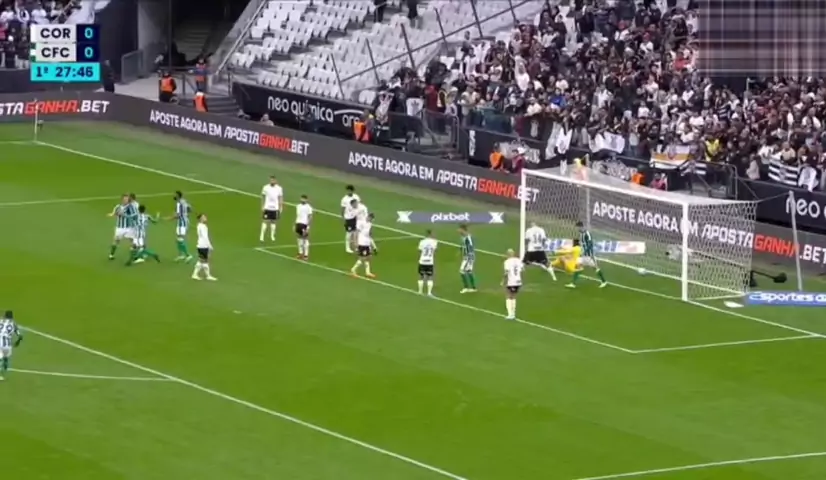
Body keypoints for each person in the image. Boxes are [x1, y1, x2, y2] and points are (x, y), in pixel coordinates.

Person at [575, 221, 607, 288]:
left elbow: (590, 244)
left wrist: (585, 251)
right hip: (583, 255)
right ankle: (573, 283)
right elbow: (582, 243)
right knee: (577, 265)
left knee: (595, 268)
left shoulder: (587, 234)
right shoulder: (580, 233)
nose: (577, 229)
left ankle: (604, 281)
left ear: (581, 227)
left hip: (589, 255)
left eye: (577, 227)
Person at [350, 212, 377, 278]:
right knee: (362, 258)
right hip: (362, 242)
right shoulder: (361, 223)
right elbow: (356, 232)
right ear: (368, 217)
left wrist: (374, 246)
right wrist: (355, 242)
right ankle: (353, 270)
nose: (371, 220)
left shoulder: (370, 224)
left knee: (368, 257)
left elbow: (369, 235)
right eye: (371, 218)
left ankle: (368, 272)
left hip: (367, 243)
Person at [192, 214, 217, 281]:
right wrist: (209, 245)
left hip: (201, 245)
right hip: (203, 245)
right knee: (203, 261)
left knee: (203, 261)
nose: (205, 218)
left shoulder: (200, 225)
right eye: (203, 217)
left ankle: (201, 275)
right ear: (200, 219)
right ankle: (204, 275)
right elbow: (205, 237)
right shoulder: (202, 226)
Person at [170, 191, 193, 262]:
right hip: (183, 222)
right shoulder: (184, 201)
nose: (174, 196)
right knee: (178, 239)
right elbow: (190, 209)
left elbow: (177, 215)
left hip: (182, 223)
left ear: (178, 196)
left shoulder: (179, 203)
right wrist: (186, 215)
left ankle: (188, 255)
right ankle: (181, 255)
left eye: (175, 195)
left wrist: (168, 219)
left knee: (180, 239)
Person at [260, 176, 283, 243]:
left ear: (276, 181)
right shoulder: (265, 187)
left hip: (275, 208)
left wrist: (281, 207)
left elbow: (280, 198)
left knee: (273, 222)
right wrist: (262, 206)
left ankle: (272, 236)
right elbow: (263, 196)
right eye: (271, 180)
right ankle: (262, 236)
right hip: (267, 207)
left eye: (273, 180)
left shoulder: (279, 188)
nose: (272, 181)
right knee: (265, 221)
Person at [0, 310, 22, 381]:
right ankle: (3, 372)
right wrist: (17, 342)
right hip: (7, 345)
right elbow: (20, 336)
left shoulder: (0, 321)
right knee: (6, 358)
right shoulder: (14, 324)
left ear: (5, 316)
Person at [502, 249, 523, 320]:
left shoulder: (507, 262)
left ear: (508, 254)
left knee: (508, 296)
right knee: (513, 296)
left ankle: (510, 314)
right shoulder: (518, 260)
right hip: (518, 281)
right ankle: (513, 313)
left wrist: (503, 280)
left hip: (511, 281)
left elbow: (506, 272)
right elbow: (522, 269)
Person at [108, 194, 130, 260]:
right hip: (119, 228)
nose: (126, 200)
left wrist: (123, 214)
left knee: (134, 241)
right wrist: (111, 214)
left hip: (129, 228)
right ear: (122, 200)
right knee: (116, 241)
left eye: (127, 199)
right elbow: (114, 213)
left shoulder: (130, 207)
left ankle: (139, 255)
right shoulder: (118, 206)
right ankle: (111, 254)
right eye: (124, 199)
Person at [340, 185, 361, 253]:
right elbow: (343, 208)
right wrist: (342, 217)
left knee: (355, 232)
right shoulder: (344, 199)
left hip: (355, 217)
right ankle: (347, 247)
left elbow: (359, 206)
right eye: (347, 190)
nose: (348, 192)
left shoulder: (356, 197)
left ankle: (356, 246)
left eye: (350, 190)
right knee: (349, 233)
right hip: (348, 218)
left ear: (352, 191)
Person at [417, 230, 437, 296]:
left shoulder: (422, 242)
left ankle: (420, 291)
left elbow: (419, 251)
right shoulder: (434, 242)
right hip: (430, 262)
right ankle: (429, 293)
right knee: (430, 277)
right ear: (430, 234)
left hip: (422, 261)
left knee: (421, 276)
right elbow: (434, 252)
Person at [458, 224, 477, 293]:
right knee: (468, 271)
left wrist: (469, 255)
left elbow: (471, 246)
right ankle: (473, 288)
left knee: (462, 270)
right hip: (467, 256)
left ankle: (466, 287)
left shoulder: (468, 237)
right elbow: (463, 246)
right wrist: (461, 250)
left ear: (463, 230)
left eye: (460, 229)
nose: (458, 231)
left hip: (469, 256)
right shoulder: (463, 237)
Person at [295, 195, 313, 260]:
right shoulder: (298, 206)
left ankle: (306, 255)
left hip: (304, 224)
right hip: (298, 223)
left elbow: (310, 217)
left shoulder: (309, 207)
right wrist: (295, 224)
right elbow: (298, 216)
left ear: (307, 200)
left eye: (304, 199)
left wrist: (308, 226)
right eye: (302, 198)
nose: (302, 200)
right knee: (299, 238)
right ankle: (300, 253)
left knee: (305, 239)